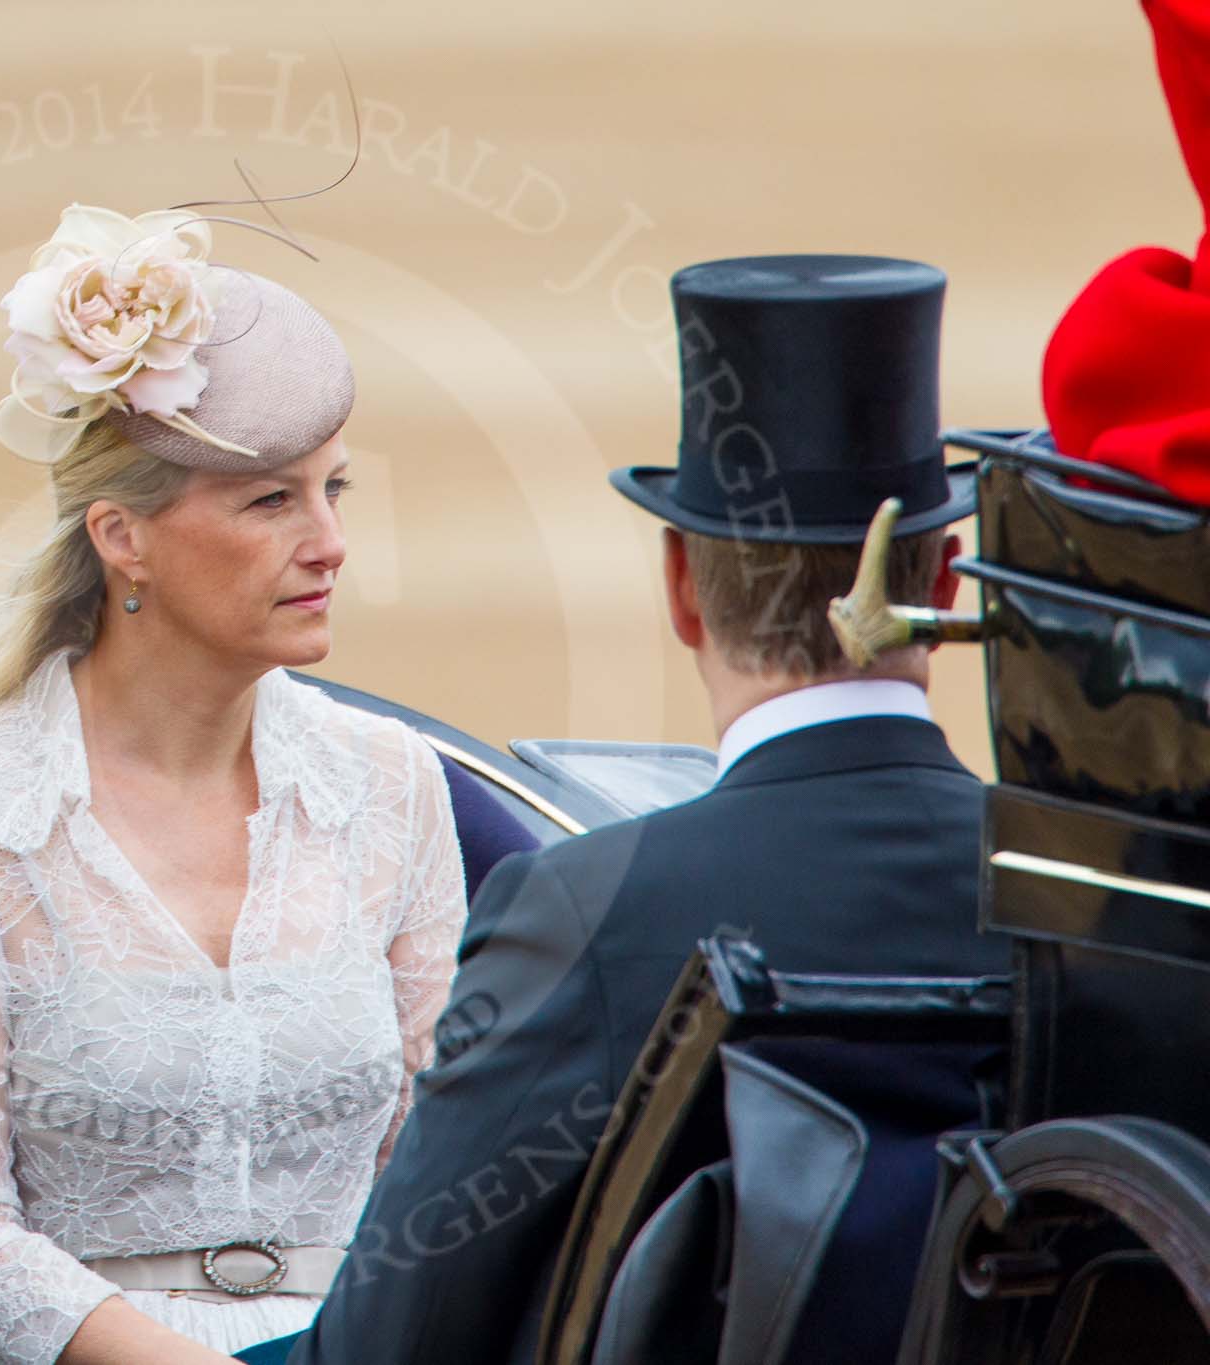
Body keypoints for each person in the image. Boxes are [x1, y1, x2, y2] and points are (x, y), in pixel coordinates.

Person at [252, 255, 1013, 1365]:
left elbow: (385, 1344)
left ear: (678, 588)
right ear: (941, 584)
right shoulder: (1088, 899)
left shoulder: (588, 909)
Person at [0, 203, 469, 1365]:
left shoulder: (394, 785)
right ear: (120, 537)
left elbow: (431, 1168)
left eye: (335, 490)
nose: (328, 541)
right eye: (270, 499)